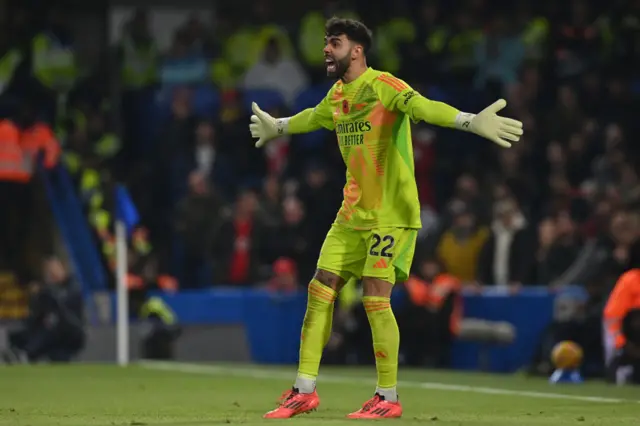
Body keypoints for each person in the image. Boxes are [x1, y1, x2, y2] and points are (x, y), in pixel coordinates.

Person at [249, 17, 523, 419]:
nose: (326, 49)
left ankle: (387, 397)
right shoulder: (337, 96)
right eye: (326, 42)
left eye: (335, 43)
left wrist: (468, 120)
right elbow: (313, 116)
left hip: (390, 215)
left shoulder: (384, 86)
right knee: (319, 287)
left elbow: (425, 108)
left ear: (356, 50)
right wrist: (281, 126)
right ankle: (303, 390)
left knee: (375, 296)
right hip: (350, 214)